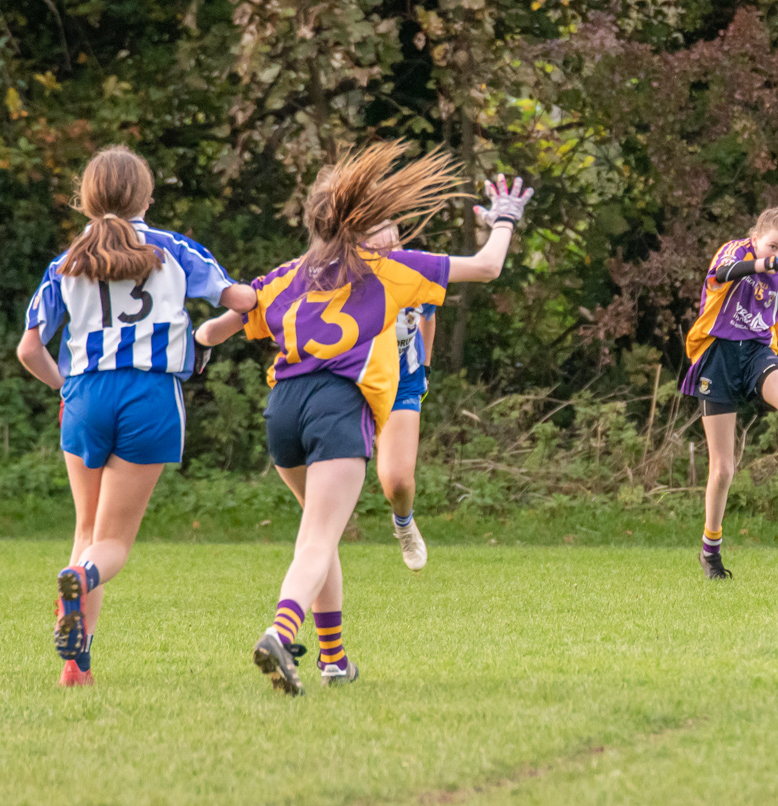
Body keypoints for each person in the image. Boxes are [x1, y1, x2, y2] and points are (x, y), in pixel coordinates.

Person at [194, 141, 533, 696]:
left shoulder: (287, 275)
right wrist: (505, 219)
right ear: (361, 220)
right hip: (336, 406)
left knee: (319, 535)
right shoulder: (388, 267)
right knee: (317, 540)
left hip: (282, 409)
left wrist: (201, 344)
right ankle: (280, 633)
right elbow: (489, 267)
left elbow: (218, 327)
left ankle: (334, 660)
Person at [16, 144, 256, 686]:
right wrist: (233, 318)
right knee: (113, 544)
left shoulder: (66, 262)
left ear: (87, 197)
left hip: (85, 395)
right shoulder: (173, 249)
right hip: (148, 396)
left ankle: (76, 668)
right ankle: (81, 577)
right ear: (146, 195)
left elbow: (29, 349)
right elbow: (241, 300)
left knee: (86, 526)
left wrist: (66, 390)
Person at [679, 207, 778, 580]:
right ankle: (710, 550)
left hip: (757, 352)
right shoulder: (736, 252)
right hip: (719, 356)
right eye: (772, 246)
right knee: (724, 468)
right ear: (756, 236)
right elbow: (723, 275)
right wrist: (767, 262)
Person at [364, 219, 437, 571]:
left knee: (396, 480)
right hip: (353, 382)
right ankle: (319, 537)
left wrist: (425, 366)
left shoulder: (415, 271)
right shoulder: (339, 275)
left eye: (390, 248)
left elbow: (429, 316)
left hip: (403, 382)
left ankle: (404, 524)